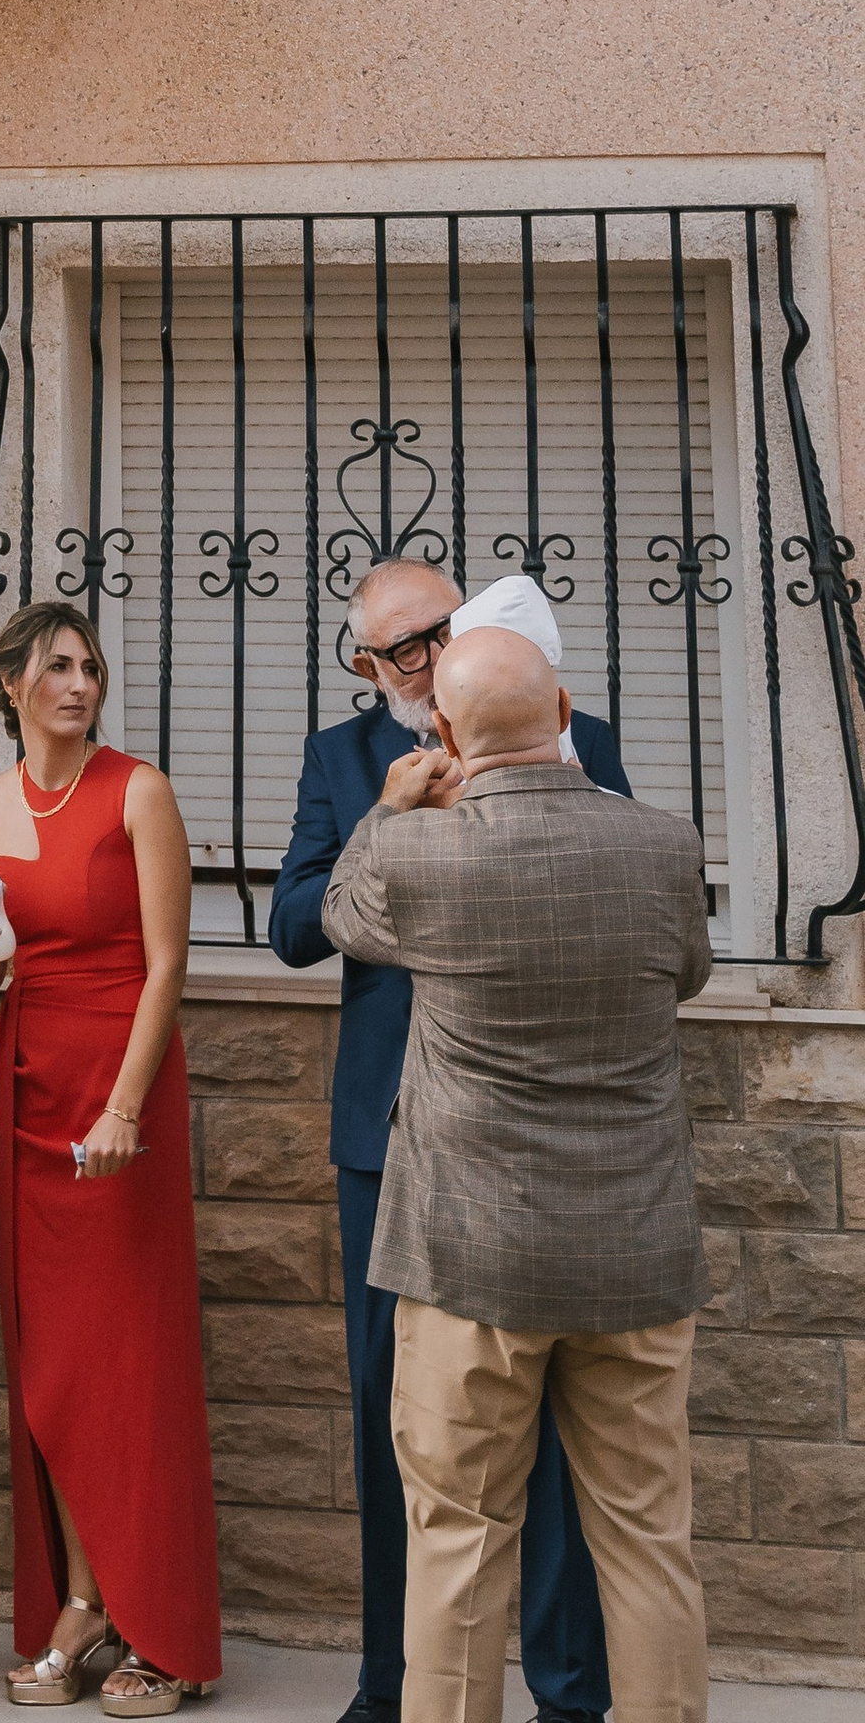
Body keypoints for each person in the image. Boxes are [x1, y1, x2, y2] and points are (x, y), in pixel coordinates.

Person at [322, 627, 711, 1723]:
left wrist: (394, 806)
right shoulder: (664, 844)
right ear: (566, 711)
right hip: (633, 1250)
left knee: (454, 1541)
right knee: (645, 1537)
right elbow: (684, 969)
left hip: (467, 1259)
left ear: (441, 733)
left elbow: (343, 914)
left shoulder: (419, 854)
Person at [271, 559, 629, 1723]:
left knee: (555, 1420)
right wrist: (390, 817)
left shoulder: (573, 730)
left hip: (539, 1132)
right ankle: (394, 1685)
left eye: (440, 634)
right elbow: (290, 929)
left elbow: (628, 889)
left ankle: (569, 1694)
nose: (424, 662)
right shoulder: (341, 759)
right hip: (392, 1138)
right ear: (368, 666)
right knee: (391, 1419)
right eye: (400, 649)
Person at [0, 601, 218, 1717]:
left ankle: (163, 1628)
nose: (78, 683)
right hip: (25, 1083)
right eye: (56, 666)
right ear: (11, 682)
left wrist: (123, 1109)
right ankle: (81, 1598)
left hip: (121, 1094)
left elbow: (168, 965)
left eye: (90, 667)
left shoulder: (136, 791)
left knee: (130, 1360)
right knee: (51, 1367)